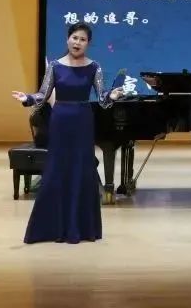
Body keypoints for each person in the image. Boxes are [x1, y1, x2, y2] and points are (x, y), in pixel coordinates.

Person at [11, 22, 122, 244]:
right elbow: (42, 95)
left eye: (82, 39)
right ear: (67, 39)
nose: (77, 42)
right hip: (61, 121)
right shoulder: (55, 66)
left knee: (82, 169)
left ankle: (82, 227)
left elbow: (102, 99)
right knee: (57, 169)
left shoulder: (94, 67)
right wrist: (27, 99)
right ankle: (50, 227)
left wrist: (111, 96)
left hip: (83, 121)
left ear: (88, 43)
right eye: (74, 38)